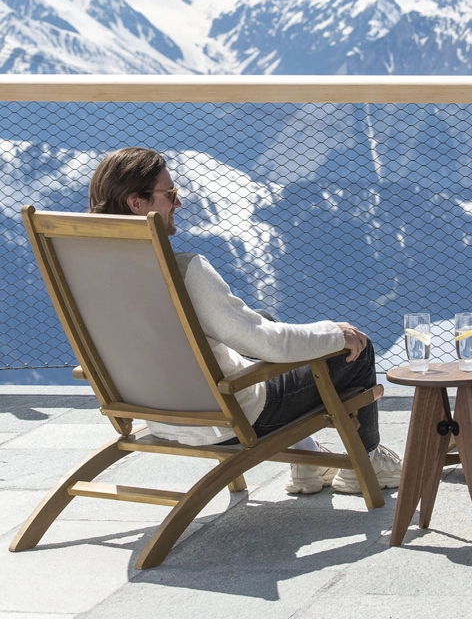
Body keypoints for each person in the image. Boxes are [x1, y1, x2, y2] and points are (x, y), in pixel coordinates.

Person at [88, 146, 402, 495]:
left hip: (160, 412)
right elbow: (266, 343)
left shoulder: (86, 271)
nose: (178, 204)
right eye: (170, 194)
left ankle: (308, 461)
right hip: (230, 417)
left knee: (260, 319)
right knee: (354, 348)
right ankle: (367, 462)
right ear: (137, 203)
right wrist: (334, 333)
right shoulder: (182, 270)